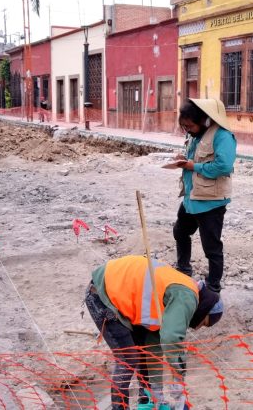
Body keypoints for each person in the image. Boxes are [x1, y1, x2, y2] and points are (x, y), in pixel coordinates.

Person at [86, 255, 223, 410]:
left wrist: (157, 391)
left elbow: (154, 349)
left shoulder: (170, 302)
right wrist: (178, 383)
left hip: (117, 295)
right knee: (128, 358)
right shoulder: (188, 296)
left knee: (141, 351)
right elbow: (171, 339)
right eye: (204, 323)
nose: (197, 328)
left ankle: (148, 401)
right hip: (104, 294)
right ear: (204, 310)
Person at [172, 98, 236, 293]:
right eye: (184, 127)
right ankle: (183, 269)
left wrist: (193, 166)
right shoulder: (195, 135)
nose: (187, 130)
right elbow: (195, 156)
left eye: (189, 126)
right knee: (180, 231)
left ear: (204, 120)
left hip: (211, 202)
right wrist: (184, 160)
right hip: (192, 198)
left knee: (212, 247)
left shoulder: (223, 136)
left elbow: (224, 166)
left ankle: (213, 286)